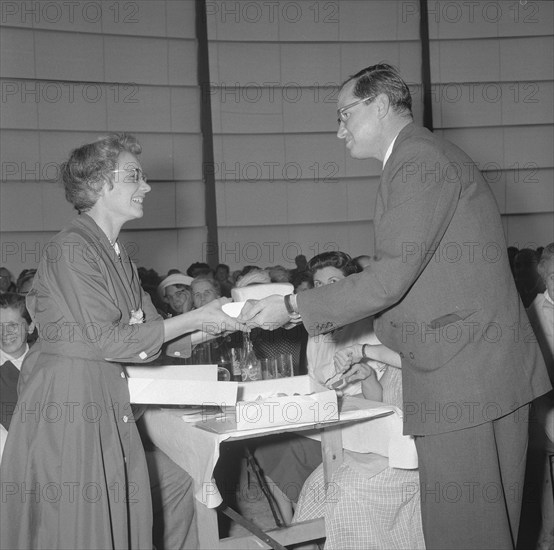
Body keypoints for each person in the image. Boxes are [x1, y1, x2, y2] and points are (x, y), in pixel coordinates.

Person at [238, 63, 551, 549]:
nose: (338, 129)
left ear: (380, 105)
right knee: (484, 527)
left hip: (461, 374)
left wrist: (292, 305)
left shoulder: (417, 160)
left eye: (344, 114)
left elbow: (389, 278)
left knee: (463, 531)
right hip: (476, 366)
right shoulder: (423, 157)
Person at [0, 133, 239, 549]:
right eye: (134, 176)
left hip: (103, 399)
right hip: (68, 406)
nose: (145, 186)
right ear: (98, 184)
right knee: (78, 529)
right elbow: (112, 341)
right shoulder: (71, 250)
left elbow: (148, 337)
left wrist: (218, 324)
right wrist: (190, 318)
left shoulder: (117, 257)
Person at [294, 346, 425, 550]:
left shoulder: (421, 356)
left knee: (345, 490)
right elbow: (378, 403)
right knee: (316, 484)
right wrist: (368, 377)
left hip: (412, 458)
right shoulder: (394, 357)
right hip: (381, 451)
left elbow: (411, 357)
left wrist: (364, 350)